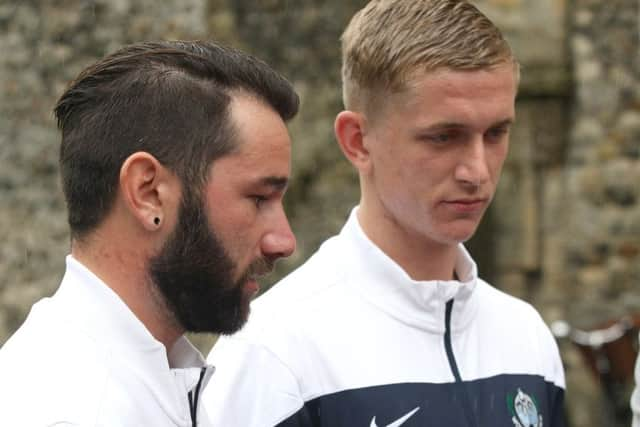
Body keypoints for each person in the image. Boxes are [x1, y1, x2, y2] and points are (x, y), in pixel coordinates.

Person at [203, 1, 566, 426]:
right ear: (357, 140)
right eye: (443, 137)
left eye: (496, 133)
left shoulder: (527, 338)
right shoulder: (275, 351)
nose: (478, 171)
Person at [0, 40, 299, 426]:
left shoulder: (142, 378)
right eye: (259, 198)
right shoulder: (77, 409)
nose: (284, 241)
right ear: (148, 193)